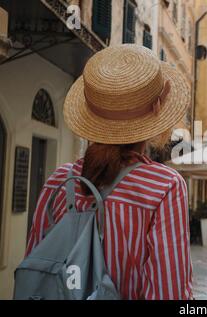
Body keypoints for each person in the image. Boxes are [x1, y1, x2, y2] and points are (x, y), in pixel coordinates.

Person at [26, 44, 193, 300]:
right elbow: (167, 291)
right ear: (155, 121)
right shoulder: (164, 187)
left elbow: (35, 266)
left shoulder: (59, 181)